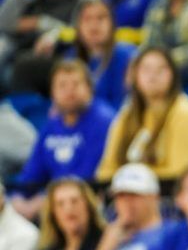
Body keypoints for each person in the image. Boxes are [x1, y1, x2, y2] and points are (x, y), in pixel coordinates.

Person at [10, 60, 116, 220]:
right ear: (52, 93)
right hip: (52, 205)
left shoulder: (103, 121)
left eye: (75, 84)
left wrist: (44, 201)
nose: (69, 91)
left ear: (89, 88)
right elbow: (31, 173)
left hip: (89, 205)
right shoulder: (51, 126)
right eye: (62, 85)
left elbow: (87, 177)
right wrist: (17, 197)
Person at [96, 47, 188, 183]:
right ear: (134, 76)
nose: (153, 75)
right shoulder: (126, 116)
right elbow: (105, 171)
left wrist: (132, 179)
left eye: (161, 69)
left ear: (173, 74)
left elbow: (183, 175)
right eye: (146, 69)